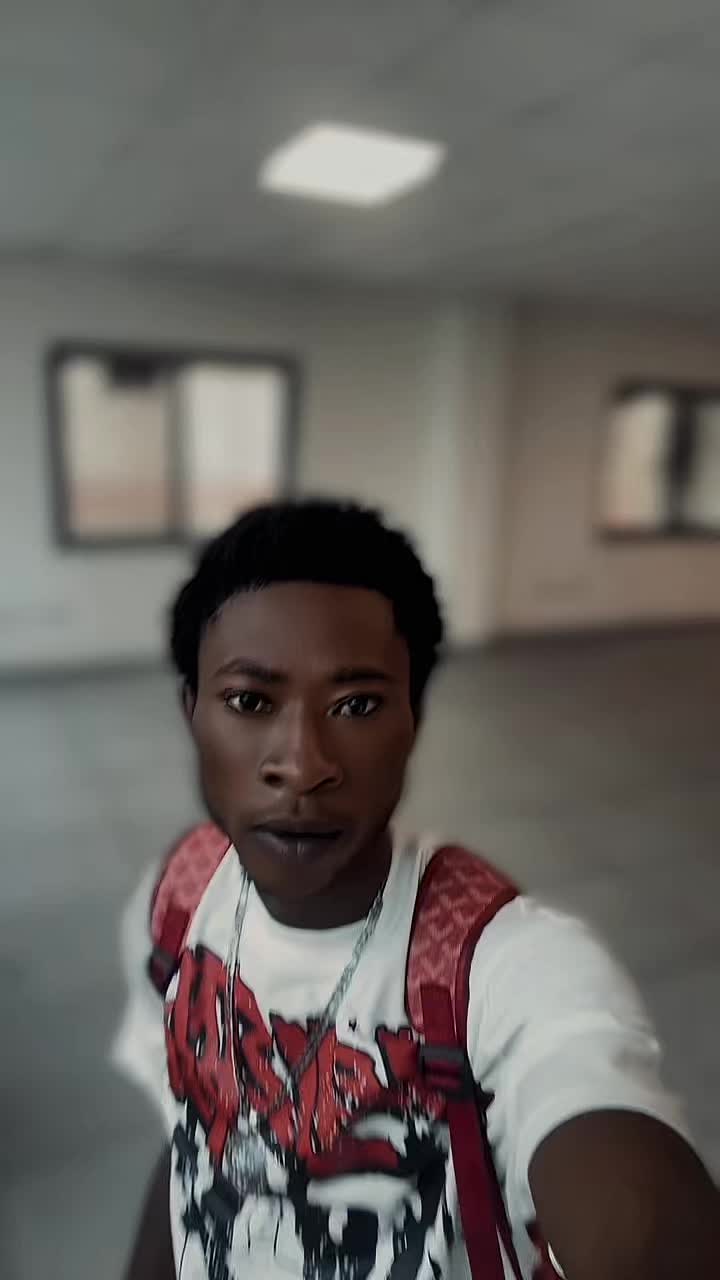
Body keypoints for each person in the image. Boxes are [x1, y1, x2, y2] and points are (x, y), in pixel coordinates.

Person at [116, 498, 719, 1280]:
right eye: (250, 701)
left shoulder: (496, 962)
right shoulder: (181, 895)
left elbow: (632, 1199)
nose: (301, 766)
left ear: (414, 720)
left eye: (357, 705)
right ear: (191, 712)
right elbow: (190, 1136)